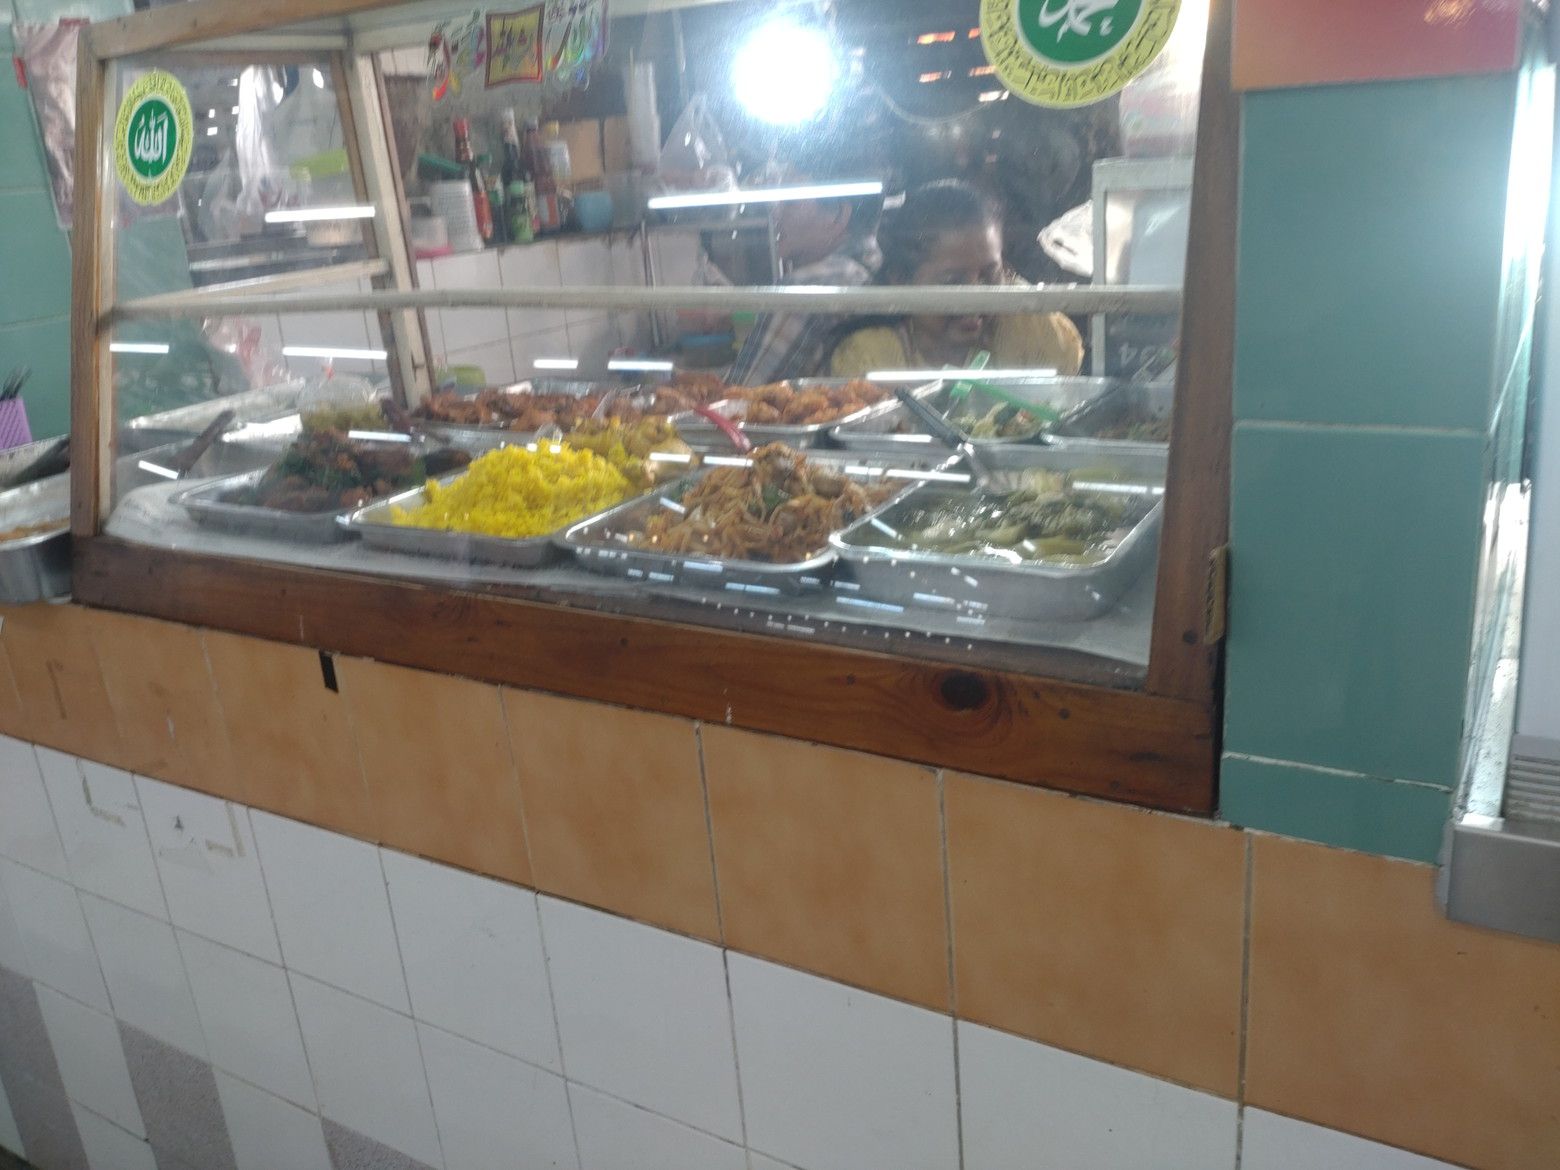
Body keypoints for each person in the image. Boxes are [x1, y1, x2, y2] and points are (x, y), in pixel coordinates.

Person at [827, 180, 1083, 378]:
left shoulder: (1032, 329)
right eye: (952, 282)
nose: (975, 298)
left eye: (989, 275)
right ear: (901, 280)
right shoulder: (870, 358)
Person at [725, 163, 883, 384]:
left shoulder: (806, 286)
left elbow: (742, 394)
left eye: (790, 202)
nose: (776, 214)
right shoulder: (880, 267)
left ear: (838, 215)